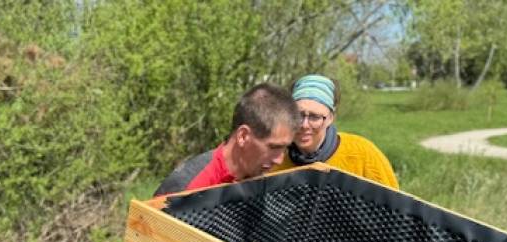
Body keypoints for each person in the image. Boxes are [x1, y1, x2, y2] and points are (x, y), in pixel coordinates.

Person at [154, 83, 300, 195]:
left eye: (285, 148)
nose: (279, 160)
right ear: (243, 136)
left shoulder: (264, 182)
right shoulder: (187, 190)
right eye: (273, 147)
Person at [274, 74, 399, 189]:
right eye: (298, 115)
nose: (304, 125)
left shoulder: (364, 156)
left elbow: (396, 207)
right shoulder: (275, 162)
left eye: (314, 117)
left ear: (330, 118)